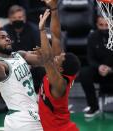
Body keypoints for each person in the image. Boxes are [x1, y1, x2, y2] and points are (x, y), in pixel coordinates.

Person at [0, 25, 43, 131]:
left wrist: (44, 48)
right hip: (21, 118)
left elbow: (46, 60)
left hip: (33, 113)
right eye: (2, 37)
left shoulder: (20, 55)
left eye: (7, 36)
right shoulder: (1, 64)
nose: (7, 39)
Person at [37, 0, 81, 131]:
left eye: (58, 58)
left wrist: (42, 30)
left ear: (61, 69)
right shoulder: (60, 71)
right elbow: (56, 36)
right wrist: (54, 9)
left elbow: (46, 59)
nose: (56, 56)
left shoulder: (59, 84)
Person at [3, 4, 45, 93]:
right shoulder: (4, 32)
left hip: (32, 64)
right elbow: (2, 52)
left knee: (42, 69)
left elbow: (39, 51)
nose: (17, 19)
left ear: (25, 18)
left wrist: (29, 64)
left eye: (20, 17)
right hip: (11, 64)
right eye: (14, 18)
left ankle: (40, 93)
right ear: (9, 19)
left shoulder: (34, 30)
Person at [79, 15, 113, 118]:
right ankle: (93, 107)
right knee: (84, 72)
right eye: (101, 25)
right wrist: (99, 67)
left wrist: (111, 69)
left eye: (107, 25)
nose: (104, 28)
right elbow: (90, 58)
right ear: (96, 25)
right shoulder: (92, 36)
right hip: (99, 71)